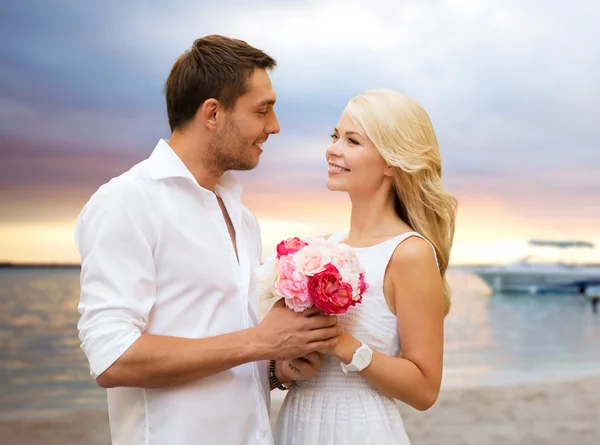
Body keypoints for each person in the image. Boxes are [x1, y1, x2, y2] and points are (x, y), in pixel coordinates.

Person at [75, 35, 341, 445]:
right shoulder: (127, 201)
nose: (275, 126)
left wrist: (276, 368)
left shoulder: (242, 216)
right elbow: (113, 359)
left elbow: (232, 347)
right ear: (212, 113)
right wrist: (259, 342)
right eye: (262, 110)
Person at [274, 89, 457, 444]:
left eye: (352, 140)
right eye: (335, 136)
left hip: (358, 428)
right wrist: (289, 365)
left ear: (391, 162)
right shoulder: (323, 247)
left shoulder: (409, 253)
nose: (333, 149)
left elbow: (424, 390)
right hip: (298, 422)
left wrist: (344, 345)